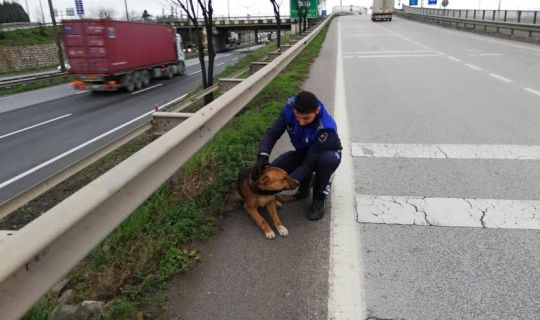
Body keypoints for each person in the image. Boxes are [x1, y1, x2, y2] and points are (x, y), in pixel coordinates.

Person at [254, 90, 342, 220]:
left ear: (317, 110)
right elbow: (272, 133)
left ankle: (319, 198)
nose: (301, 122)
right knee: (273, 171)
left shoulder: (326, 128)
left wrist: (287, 182)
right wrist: (263, 155)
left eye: (306, 118)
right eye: (297, 117)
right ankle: (304, 189)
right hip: (304, 152)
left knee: (325, 162)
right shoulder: (289, 110)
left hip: (325, 154)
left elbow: (309, 163)